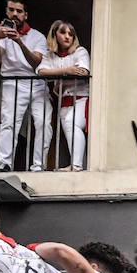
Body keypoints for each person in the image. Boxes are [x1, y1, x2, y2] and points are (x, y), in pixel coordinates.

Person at [0, 0, 51, 172]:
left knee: (43, 123)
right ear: (6, 12)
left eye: (19, 11)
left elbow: (36, 63)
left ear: (26, 15)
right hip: (12, 82)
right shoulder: (0, 34)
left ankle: (39, 165)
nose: (15, 14)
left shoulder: (38, 36)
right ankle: (4, 164)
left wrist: (19, 41)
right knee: (9, 122)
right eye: (11, 10)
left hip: (37, 83)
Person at [37, 20, 90, 172]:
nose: (68, 37)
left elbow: (83, 72)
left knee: (71, 123)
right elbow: (41, 72)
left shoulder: (80, 52)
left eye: (71, 34)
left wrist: (58, 78)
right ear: (54, 35)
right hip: (63, 102)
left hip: (81, 98)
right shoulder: (49, 56)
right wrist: (66, 71)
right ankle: (80, 165)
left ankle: (77, 166)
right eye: (63, 33)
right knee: (70, 132)